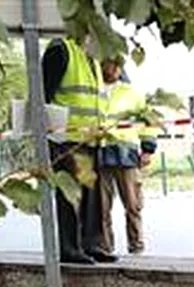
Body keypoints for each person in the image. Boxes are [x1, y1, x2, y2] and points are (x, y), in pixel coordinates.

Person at [42, 36, 115, 264]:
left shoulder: (91, 58)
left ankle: (92, 245)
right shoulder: (61, 49)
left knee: (92, 197)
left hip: (90, 139)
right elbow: (42, 95)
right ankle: (69, 248)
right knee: (70, 196)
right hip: (66, 140)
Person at [97, 57, 156, 256]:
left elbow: (148, 121)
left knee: (133, 205)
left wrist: (148, 149)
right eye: (110, 63)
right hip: (100, 152)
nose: (114, 68)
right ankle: (105, 247)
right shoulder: (93, 90)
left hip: (126, 154)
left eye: (117, 64)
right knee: (101, 208)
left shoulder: (132, 93)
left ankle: (136, 246)